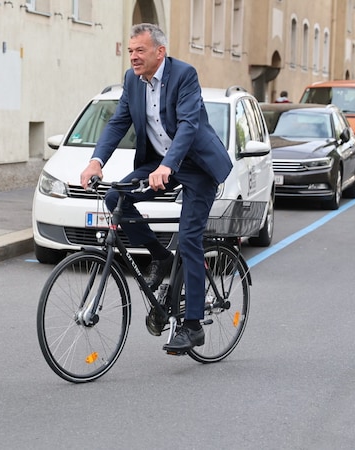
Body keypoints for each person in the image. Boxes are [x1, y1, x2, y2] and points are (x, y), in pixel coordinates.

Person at [80, 23, 232, 354]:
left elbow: (189, 125)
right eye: (131, 50)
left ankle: (192, 326)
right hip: (159, 164)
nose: (133, 57)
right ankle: (160, 257)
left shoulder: (184, 75)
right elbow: (118, 122)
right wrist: (96, 161)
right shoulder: (132, 81)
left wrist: (168, 165)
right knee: (114, 197)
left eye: (140, 51)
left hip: (197, 167)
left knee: (190, 239)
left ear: (159, 52)